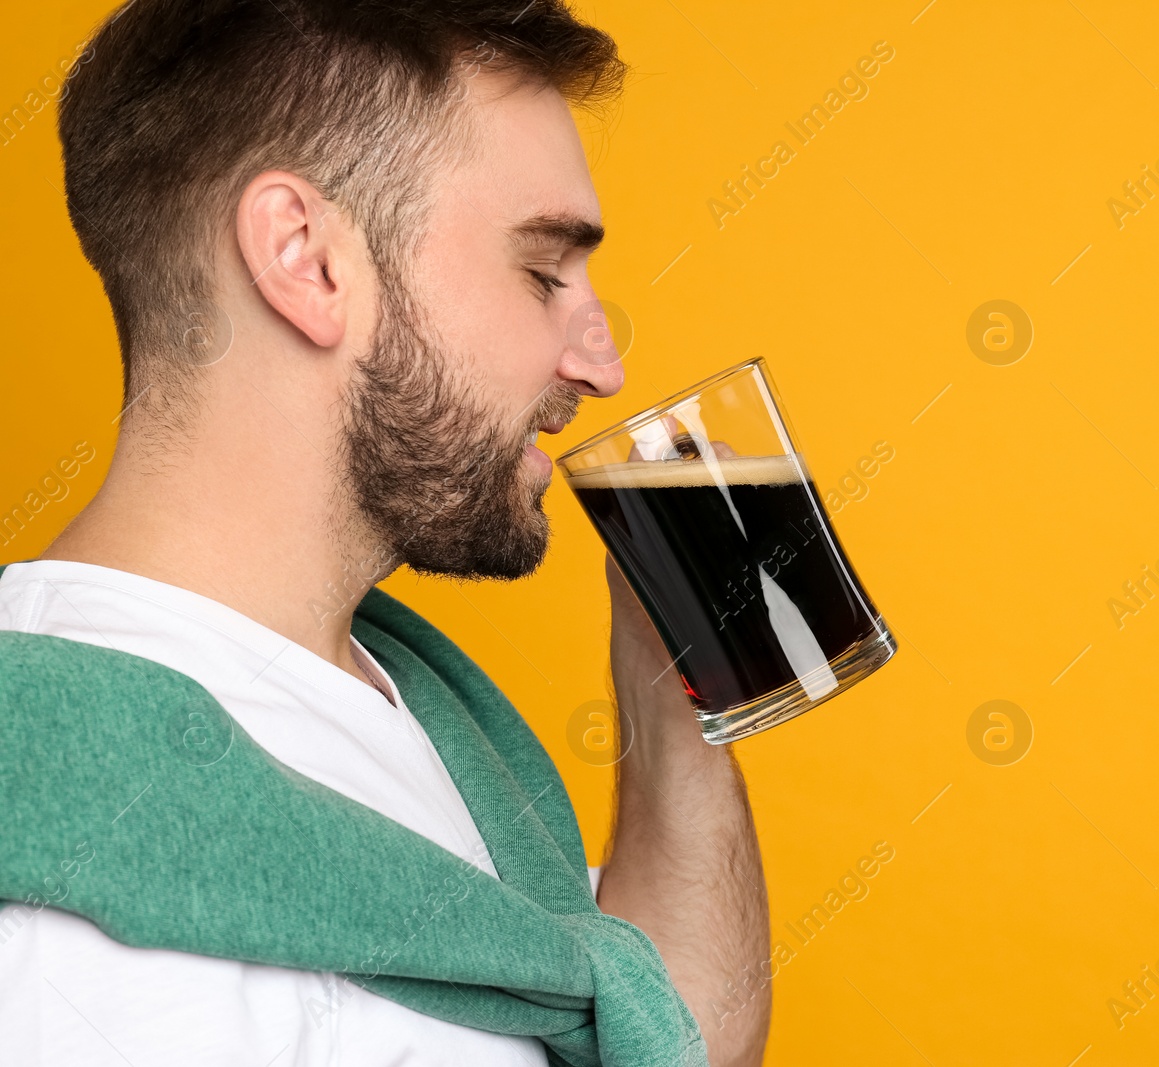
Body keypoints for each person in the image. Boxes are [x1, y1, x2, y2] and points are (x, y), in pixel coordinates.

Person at [0, 2, 770, 1065]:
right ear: (308, 261)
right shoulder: (65, 909)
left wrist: (673, 683)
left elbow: (659, 1025)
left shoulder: (400, 696)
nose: (601, 364)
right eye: (542, 272)